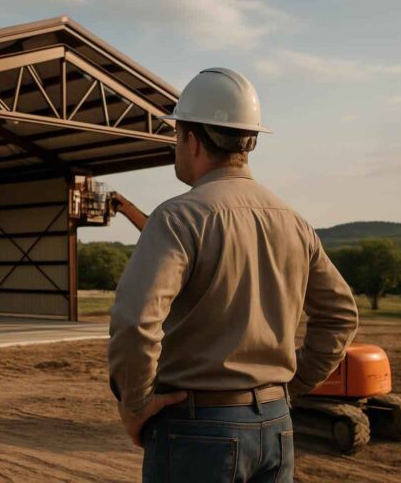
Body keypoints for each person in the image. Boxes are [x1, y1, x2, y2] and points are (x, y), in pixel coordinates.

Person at [107, 68, 359, 482]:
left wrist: (135, 406)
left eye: (176, 136)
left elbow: (136, 322)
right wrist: (289, 388)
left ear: (191, 138)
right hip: (277, 429)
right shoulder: (293, 222)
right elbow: (341, 315)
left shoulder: (178, 217)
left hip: (196, 428)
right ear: (249, 141)